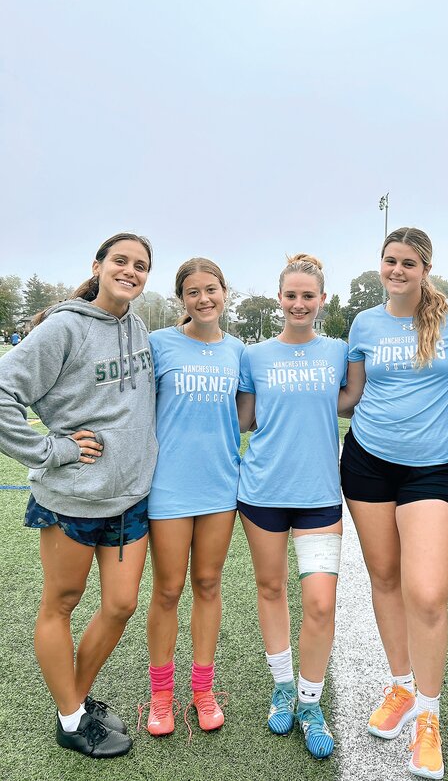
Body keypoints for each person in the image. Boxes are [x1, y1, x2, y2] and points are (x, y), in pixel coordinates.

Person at [0, 233, 157, 758]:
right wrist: (51, 450)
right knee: (61, 604)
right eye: (121, 261)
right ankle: (69, 720)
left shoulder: (137, 325)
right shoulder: (64, 327)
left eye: (140, 265)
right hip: (70, 501)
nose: (130, 271)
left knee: (120, 604)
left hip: (130, 499)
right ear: (98, 265)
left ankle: (75, 698)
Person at [337, 226, 448, 779]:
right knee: (386, 579)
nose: (397, 270)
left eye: (409, 263)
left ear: (426, 269)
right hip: (368, 462)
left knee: (427, 593)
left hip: (436, 468)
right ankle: (400, 685)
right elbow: (351, 397)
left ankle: (429, 715)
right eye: (390, 261)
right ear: (381, 265)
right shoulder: (364, 323)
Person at [235, 254, 348, 759]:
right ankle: (282, 688)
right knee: (271, 587)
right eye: (291, 295)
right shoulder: (253, 356)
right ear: (279, 298)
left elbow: (358, 399)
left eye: (309, 296)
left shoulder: (340, 352)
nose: (299, 304)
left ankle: (310, 701)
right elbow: (241, 418)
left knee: (321, 603)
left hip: (320, 495)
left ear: (322, 300)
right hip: (261, 493)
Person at [143, 258, 244, 736]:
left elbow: (246, 417)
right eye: (192, 292)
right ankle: (161, 695)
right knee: (167, 589)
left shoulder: (240, 351)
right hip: (169, 487)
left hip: (221, 486)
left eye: (211, 289)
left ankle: (202, 689)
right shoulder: (159, 344)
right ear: (180, 299)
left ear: (226, 292)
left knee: (207, 584)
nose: (203, 299)